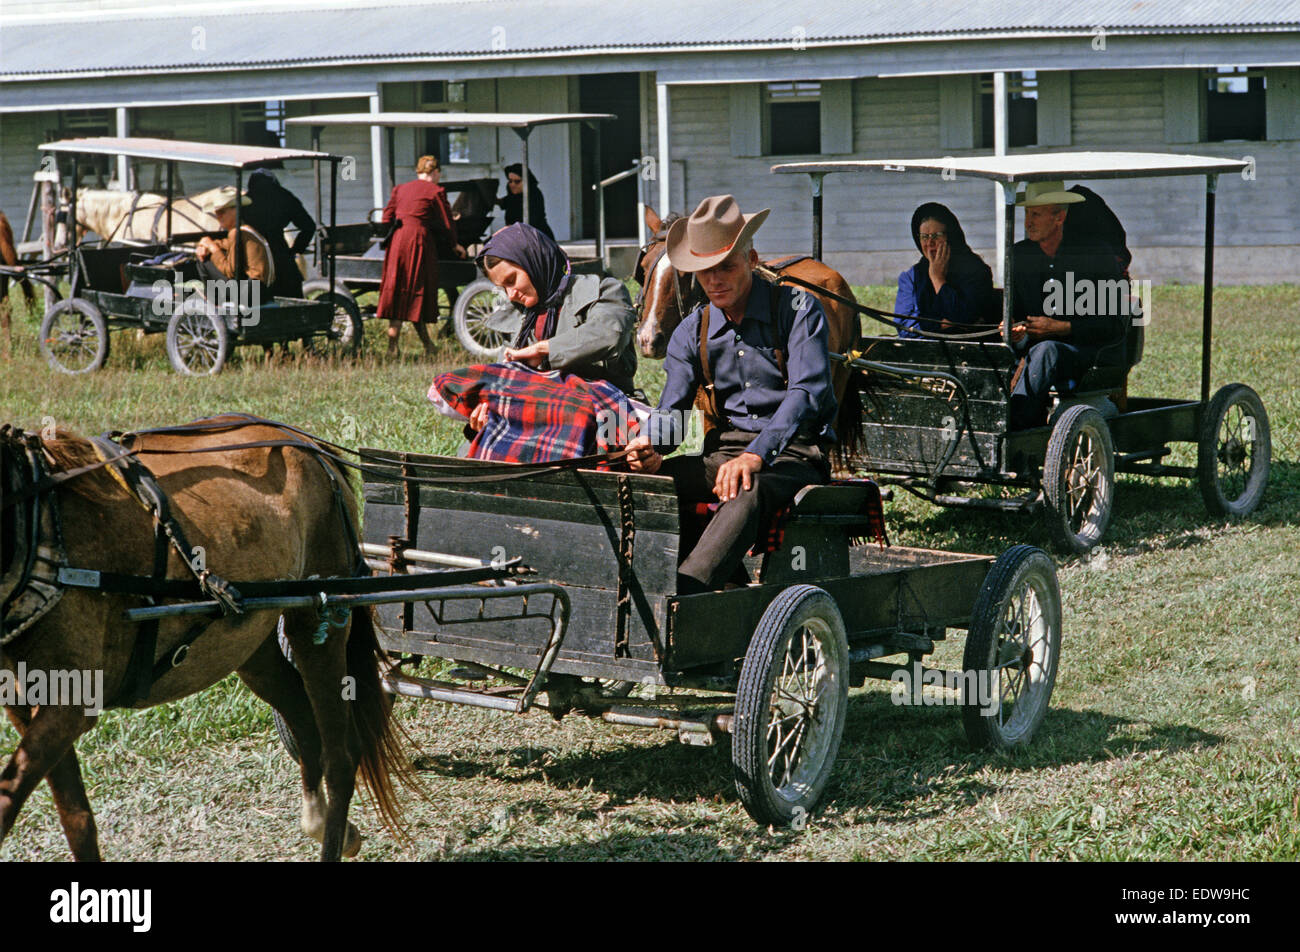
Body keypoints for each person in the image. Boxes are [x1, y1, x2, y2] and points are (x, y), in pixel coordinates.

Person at [624, 195, 837, 595]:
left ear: (752, 259)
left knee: (746, 490)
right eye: (705, 271)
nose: (715, 280)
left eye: (727, 267)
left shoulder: (797, 309)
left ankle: (686, 595)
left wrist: (756, 454)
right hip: (721, 457)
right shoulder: (692, 331)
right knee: (649, 486)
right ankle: (664, 586)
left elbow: (808, 391)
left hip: (793, 454)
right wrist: (652, 444)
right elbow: (673, 408)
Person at [1009, 180, 1128, 429]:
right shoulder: (1020, 256)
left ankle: (1014, 430)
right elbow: (1017, 313)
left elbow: (1114, 325)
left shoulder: (1096, 256)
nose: (1028, 222)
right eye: (1027, 214)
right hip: (1032, 355)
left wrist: (1061, 327)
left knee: (1047, 350)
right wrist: (1015, 332)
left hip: (1086, 355)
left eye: (1037, 215)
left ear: (1059, 217)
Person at [377, 155, 466, 357]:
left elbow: (386, 217)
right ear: (435, 173)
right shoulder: (436, 191)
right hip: (417, 243)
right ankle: (426, 345)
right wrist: (455, 245)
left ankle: (395, 346)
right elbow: (446, 223)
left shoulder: (400, 189)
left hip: (397, 243)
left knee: (399, 289)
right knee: (416, 290)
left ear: (418, 172)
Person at [893, 202, 993, 337]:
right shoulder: (911, 277)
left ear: (951, 237)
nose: (929, 243)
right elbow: (904, 326)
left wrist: (937, 278)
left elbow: (964, 317)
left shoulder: (976, 272)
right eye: (924, 237)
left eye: (936, 235)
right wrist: (941, 324)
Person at [243, 163, 316, 299]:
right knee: (293, 302)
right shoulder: (285, 197)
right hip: (281, 257)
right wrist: (296, 250)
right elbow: (309, 226)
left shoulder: (245, 201)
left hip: (253, 258)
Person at [194, 186, 275, 291]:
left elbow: (230, 271)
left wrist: (213, 248)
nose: (218, 217)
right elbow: (226, 244)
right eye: (217, 213)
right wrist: (207, 244)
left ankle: (212, 298)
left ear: (236, 210)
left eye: (222, 212)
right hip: (262, 289)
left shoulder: (236, 233)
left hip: (252, 291)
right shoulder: (246, 230)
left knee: (204, 260)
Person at [497, 164, 554, 239]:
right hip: (516, 235)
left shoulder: (534, 195)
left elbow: (532, 221)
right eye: (510, 181)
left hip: (536, 237)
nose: (512, 185)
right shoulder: (514, 196)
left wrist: (509, 228)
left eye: (517, 182)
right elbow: (506, 202)